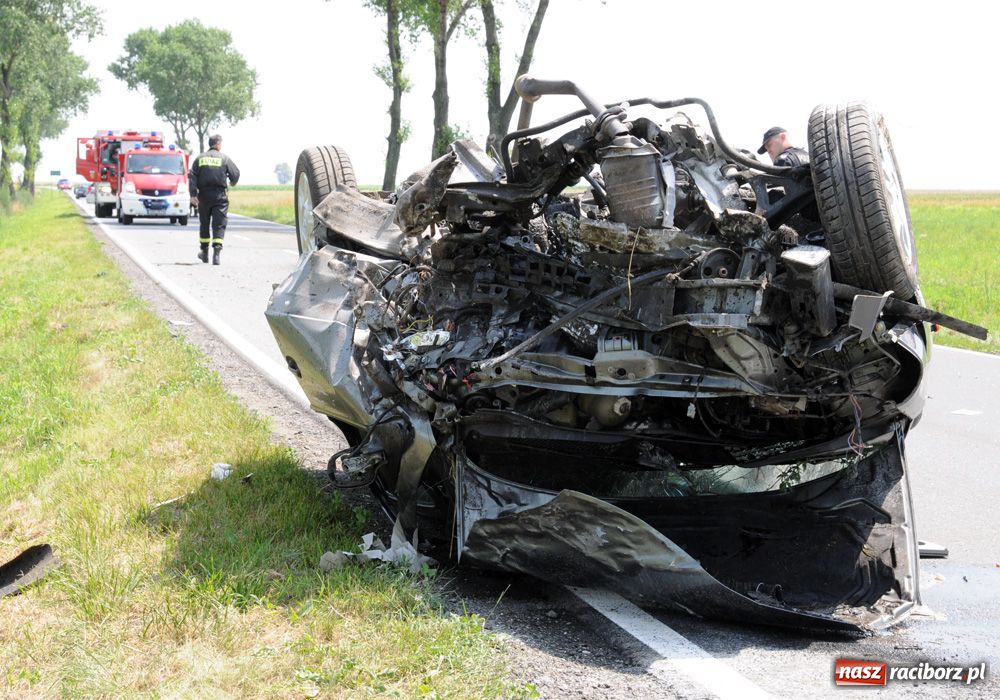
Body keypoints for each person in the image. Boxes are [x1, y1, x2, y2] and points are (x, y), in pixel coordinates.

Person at [188, 134, 240, 265]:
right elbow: (235, 174)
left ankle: (204, 253)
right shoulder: (225, 158)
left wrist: (193, 194)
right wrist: (232, 183)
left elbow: (192, 176)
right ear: (218, 144)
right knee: (219, 224)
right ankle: (216, 255)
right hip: (220, 196)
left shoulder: (199, 158)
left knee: (204, 224)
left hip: (204, 197)